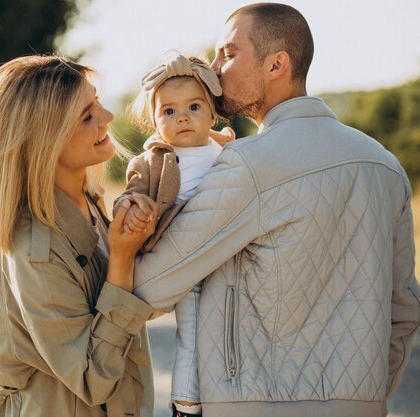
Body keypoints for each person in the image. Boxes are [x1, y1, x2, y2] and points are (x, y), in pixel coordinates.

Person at [133, 3, 420, 417]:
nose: (213, 70)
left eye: (228, 54)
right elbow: (405, 310)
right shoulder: (384, 164)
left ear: (277, 64)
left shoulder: (247, 163)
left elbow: (153, 286)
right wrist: (363, 396)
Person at [0, 55, 158, 417]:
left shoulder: (89, 202)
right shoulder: (37, 250)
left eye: (96, 100)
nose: (107, 117)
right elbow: (92, 378)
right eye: (87, 115)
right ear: (44, 140)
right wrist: (122, 258)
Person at [112, 53, 234, 417]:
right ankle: (185, 404)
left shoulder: (227, 149)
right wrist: (131, 207)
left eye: (194, 107)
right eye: (168, 111)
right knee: (192, 331)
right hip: (186, 256)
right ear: (154, 121)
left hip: (227, 252)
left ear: (213, 113)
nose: (182, 117)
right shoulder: (153, 161)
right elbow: (130, 193)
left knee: (228, 329)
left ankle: (227, 398)